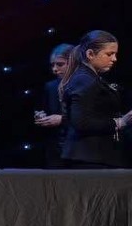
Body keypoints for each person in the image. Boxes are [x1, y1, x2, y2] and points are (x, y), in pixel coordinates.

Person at [58, 30, 128, 168]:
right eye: (109, 54)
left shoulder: (91, 78)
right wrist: (119, 122)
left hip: (95, 156)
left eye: (115, 54)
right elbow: (81, 122)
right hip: (89, 159)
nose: (114, 59)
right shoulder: (84, 80)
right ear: (90, 54)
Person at [31, 43, 75, 167]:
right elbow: (43, 109)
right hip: (55, 148)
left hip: (79, 148)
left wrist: (62, 119)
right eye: (52, 65)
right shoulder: (50, 87)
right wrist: (40, 116)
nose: (54, 69)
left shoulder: (87, 85)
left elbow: (91, 117)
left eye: (60, 64)